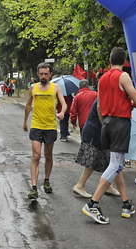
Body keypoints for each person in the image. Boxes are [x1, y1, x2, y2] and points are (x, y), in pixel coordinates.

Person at [82, 47, 136, 225]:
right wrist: (130, 104)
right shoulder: (123, 76)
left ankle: (125, 203)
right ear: (124, 62)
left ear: (109, 60)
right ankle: (93, 203)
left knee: (116, 164)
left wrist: (105, 122)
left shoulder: (102, 79)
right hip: (120, 122)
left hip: (106, 122)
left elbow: (99, 107)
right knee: (116, 165)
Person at [23, 62, 67, 200]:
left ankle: (46, 180)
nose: (43, 76)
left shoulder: (56, 87)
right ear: (37, 74)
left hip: (50, 126)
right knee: (36, 156)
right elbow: (29, 104)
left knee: (48, 155)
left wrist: (62, 112)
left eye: (45, 74)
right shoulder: (33, 88)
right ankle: (34, 188)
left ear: (50, 74)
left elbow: (63, 103)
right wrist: (25, 121)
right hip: (36, 125)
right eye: (41, 74)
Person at [73, 99, 120, 198]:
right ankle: (80, 185)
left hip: (97, 131)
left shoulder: (104, 95)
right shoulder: (104, 97)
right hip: (95, 133)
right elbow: (103, 113)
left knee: (106, 160)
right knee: (93, 161)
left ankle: (108, 186)